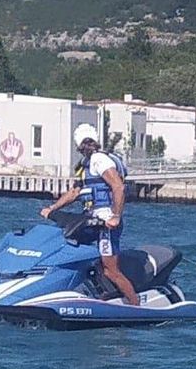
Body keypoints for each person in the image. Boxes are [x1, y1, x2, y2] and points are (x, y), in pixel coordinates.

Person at [41, 123, 138, 306]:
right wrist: (52, 209)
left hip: (106, 222)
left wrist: (115, 216)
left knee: (110, 270)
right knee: (78, 252)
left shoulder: (99, 160)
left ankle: (135, 305)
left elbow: (118, 187)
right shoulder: (86, 164)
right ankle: (99, 293)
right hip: (92, 220)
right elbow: (75, 192)